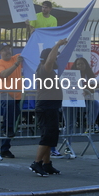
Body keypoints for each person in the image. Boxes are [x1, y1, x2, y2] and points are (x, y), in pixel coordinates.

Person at [29, 39, 66, 177]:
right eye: (54, 56)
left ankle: (47, 164)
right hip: (46, 107)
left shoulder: (44, 70)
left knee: (51, 136)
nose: (55, 59)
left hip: (51, 107)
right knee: (47, 136)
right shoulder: (45, 69)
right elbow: (50, 61)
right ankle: (36, 163)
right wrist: (57, 44)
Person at [0, 43, 23, 159]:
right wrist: (16, 64)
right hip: (2, 93)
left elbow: (30, 48)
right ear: (0, 52)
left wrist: (31, 31)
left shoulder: (17, 57)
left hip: (16, 95)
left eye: (8, 49)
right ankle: (6, 128)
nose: (7, 51)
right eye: (4, 50)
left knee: (14, 116)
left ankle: (5, 149)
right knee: (10, 107)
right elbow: (3, 75)